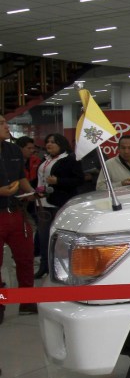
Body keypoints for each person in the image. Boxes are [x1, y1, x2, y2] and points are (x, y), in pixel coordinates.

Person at [0, 118, 36, 321]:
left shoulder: (13, 150)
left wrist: (31, 192)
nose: (7, 126)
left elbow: (21, 177)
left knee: (26, 258)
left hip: (16, 212)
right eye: (1, 123)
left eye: (6, 122)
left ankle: (28, 301)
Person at [35, 133, 83, 280]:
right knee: (43, 237)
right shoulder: (45, 159)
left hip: (59, 203)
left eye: (53, 142)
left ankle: (61, 269)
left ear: (61, 144)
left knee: (60, 239)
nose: (49, 145)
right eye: (48, 142)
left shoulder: (70, 159)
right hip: (42, 203)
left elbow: (79, 179)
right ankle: (44, 266)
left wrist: (58, 181)